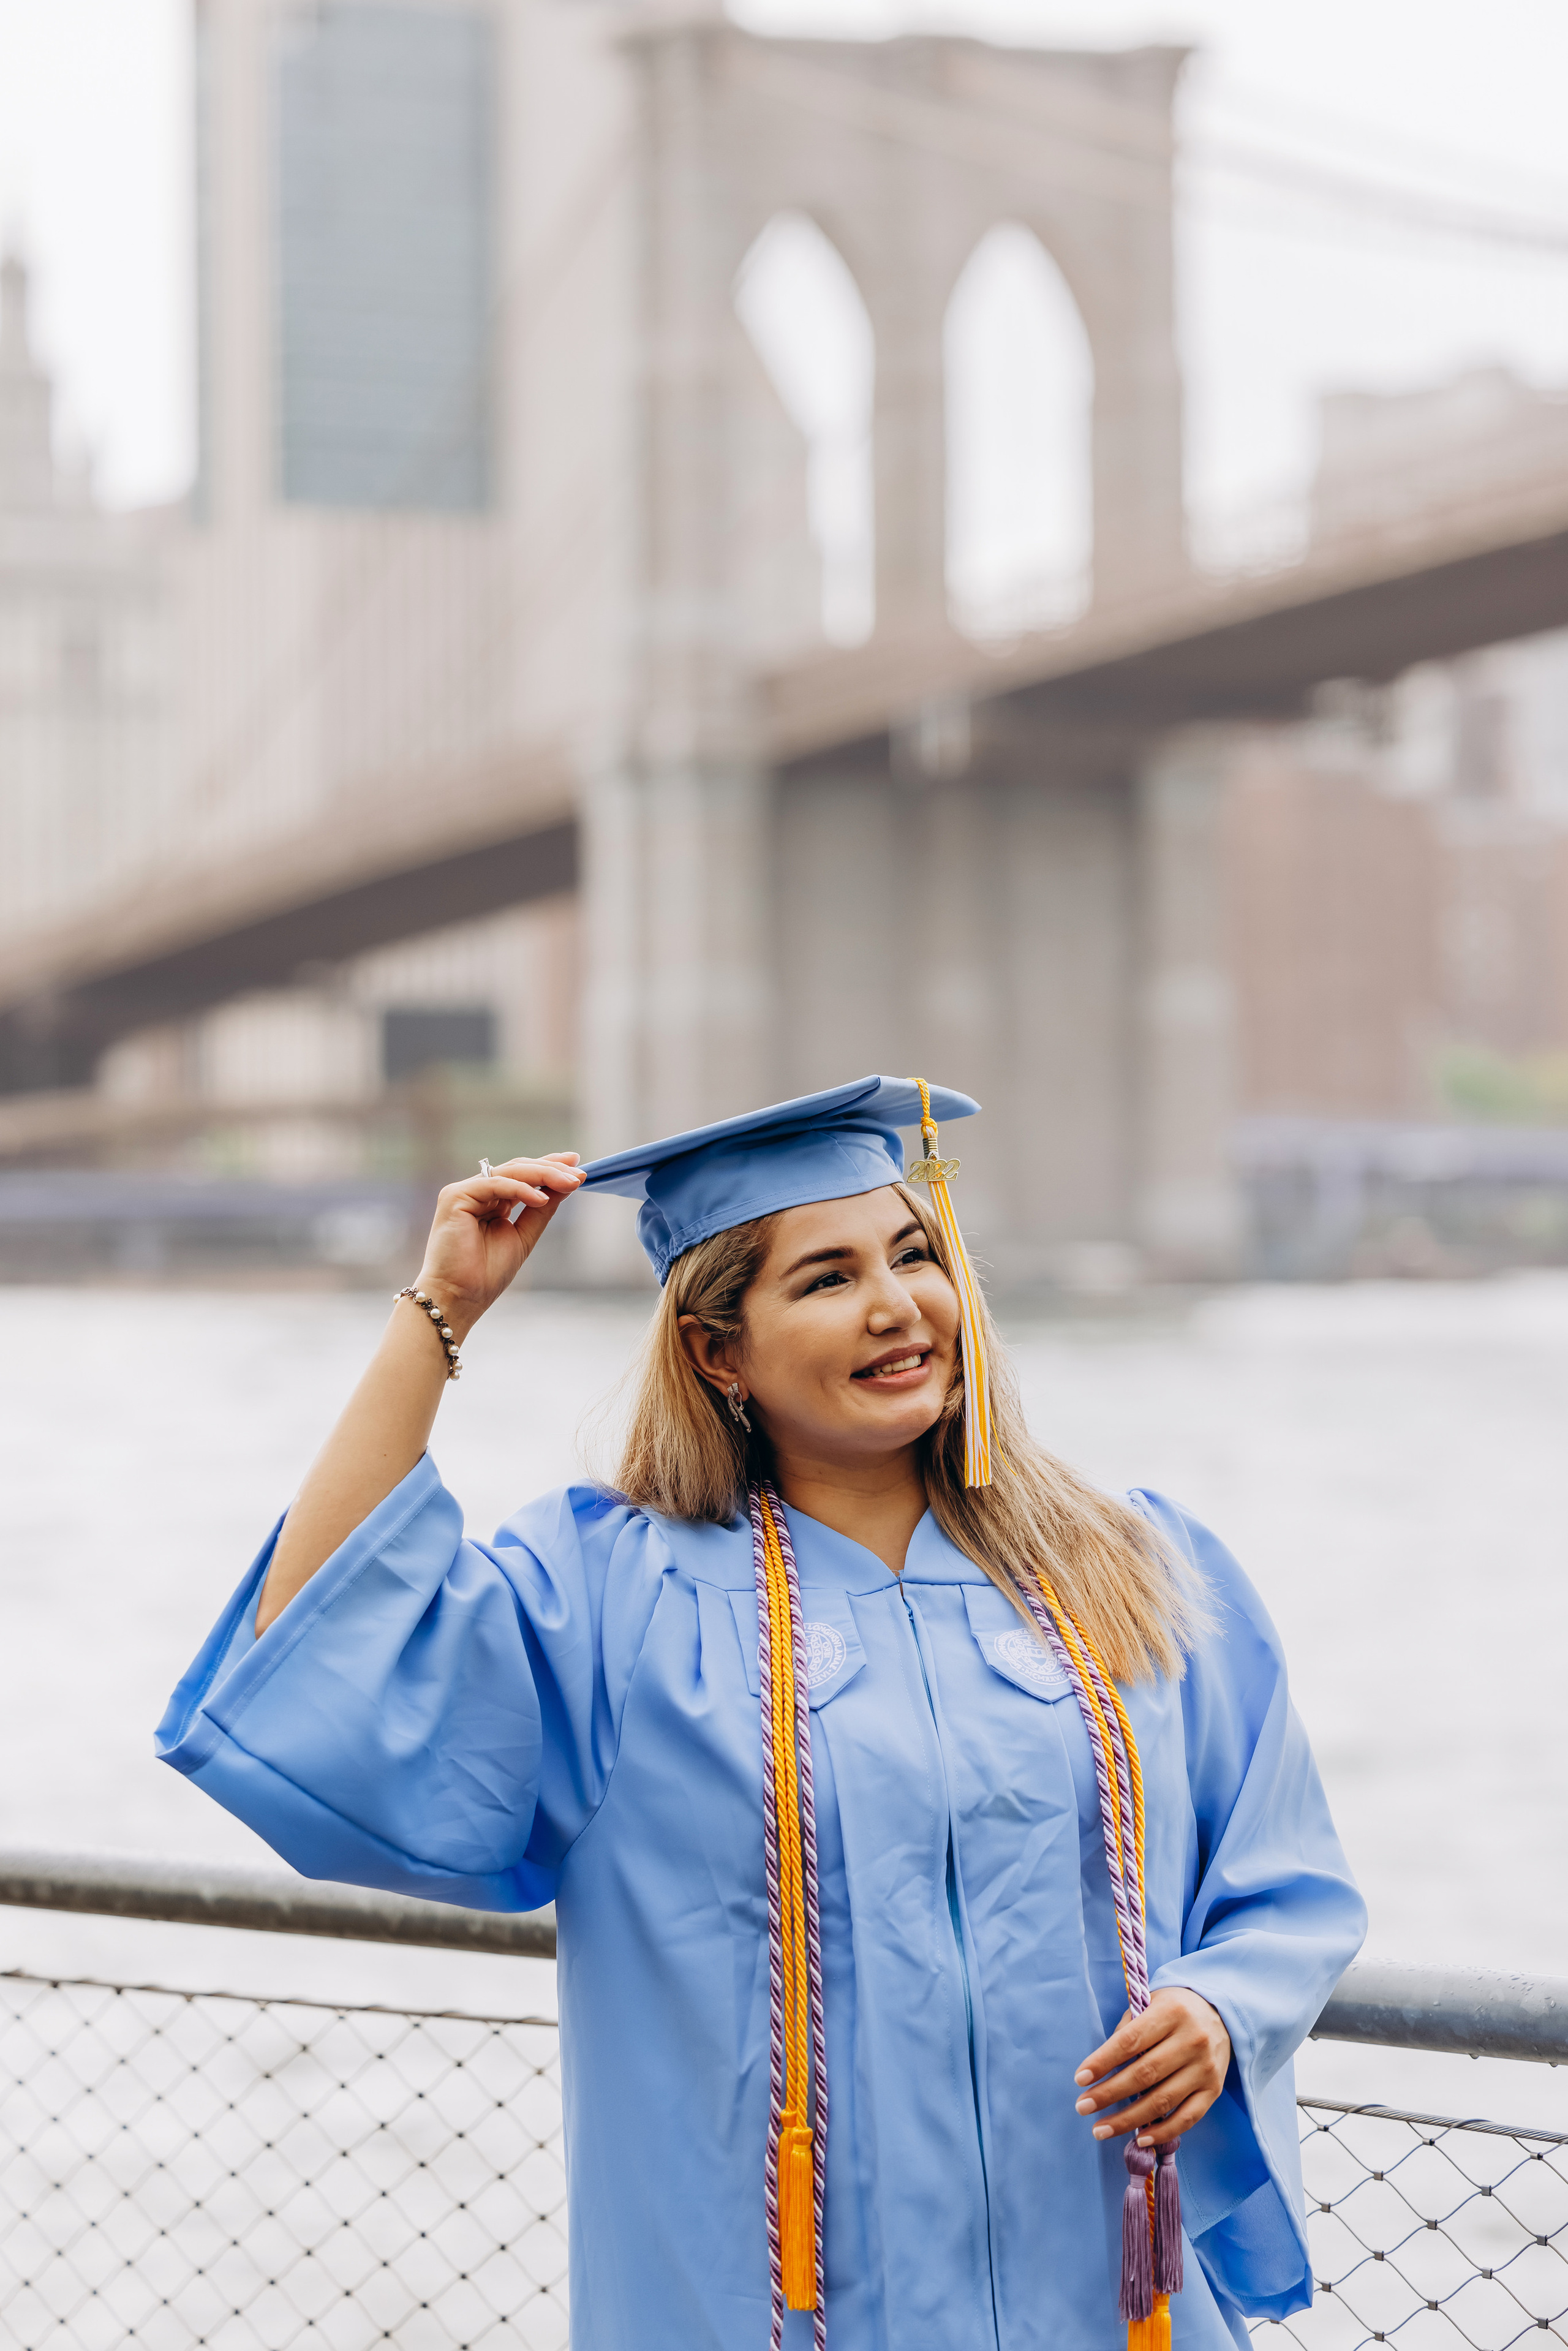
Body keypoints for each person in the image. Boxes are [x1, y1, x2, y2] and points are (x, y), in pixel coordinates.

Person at [157, 1075, 1365, 2351]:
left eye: (913, 1253)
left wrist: (1223, 2006)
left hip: (1109, 2296)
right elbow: (321, 1649)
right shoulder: (615, 1599)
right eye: (826, 1276)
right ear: (715, 1349)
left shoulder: (1120, 1564)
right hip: (773, 2303)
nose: (897, 1304)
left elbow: (1282, 1873)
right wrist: (439, 1313)